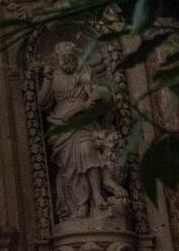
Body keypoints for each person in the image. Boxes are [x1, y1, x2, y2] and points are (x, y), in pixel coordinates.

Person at [38, 41, 125, 219]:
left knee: (87, 148)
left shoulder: (84, 71)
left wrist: (91, 100)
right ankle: (81, 203)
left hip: (84, 123)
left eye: (70, 57)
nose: (67, 61)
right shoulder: (53, 76)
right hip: (61, 126)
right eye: (64, 58)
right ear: (58, 59)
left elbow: (100, 94)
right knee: (70, 166)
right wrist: (46, 79)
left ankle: (96, 195)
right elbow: (42, 103)